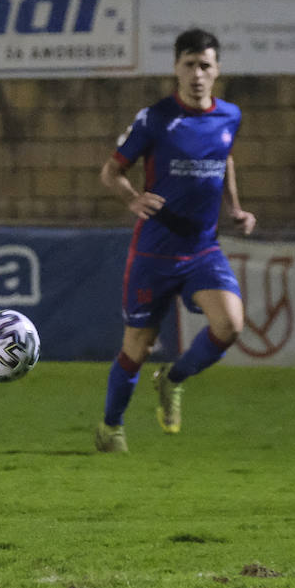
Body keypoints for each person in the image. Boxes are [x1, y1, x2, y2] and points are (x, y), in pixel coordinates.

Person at [94, 28, 256, 453]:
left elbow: (226, 160)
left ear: (217, 70)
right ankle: (111, 427)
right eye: (189, 65)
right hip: (154, 252)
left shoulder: (230, 116)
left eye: (205, 65)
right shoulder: (155, 119)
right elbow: (111, 172)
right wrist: (132, 198)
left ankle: (174, 379)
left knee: (231, 325)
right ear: (176, 69)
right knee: (138, 347)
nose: (197, 74)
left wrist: (235, 209)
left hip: (202, 248)